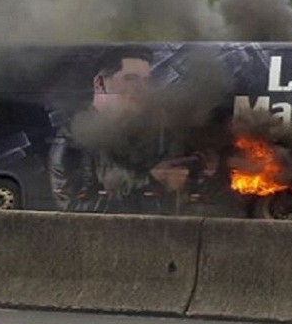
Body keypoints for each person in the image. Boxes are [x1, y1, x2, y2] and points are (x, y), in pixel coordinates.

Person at [48, 47, 191, 213]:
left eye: (145, 81)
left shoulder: (141, 134)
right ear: (100, 84)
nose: (142, 89)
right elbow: (74, 209)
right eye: (131, 79)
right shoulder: (73, 141)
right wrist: (153, 181)